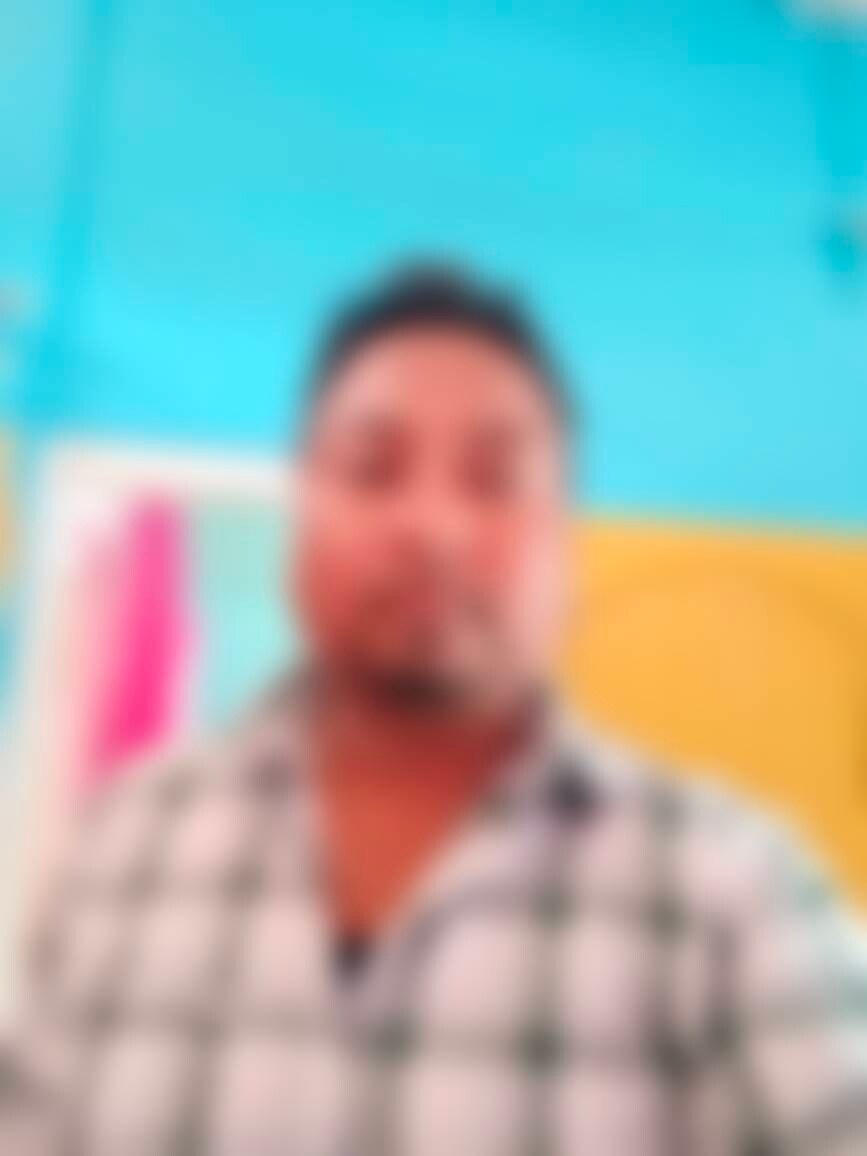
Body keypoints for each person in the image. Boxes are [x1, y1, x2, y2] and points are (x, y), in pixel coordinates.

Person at [2, 265, 866, 1155]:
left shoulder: (734, 897)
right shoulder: (122, 850)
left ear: (561, 539)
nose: (431, 525)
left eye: (493, 478)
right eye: (371, 470)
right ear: (302, 509)